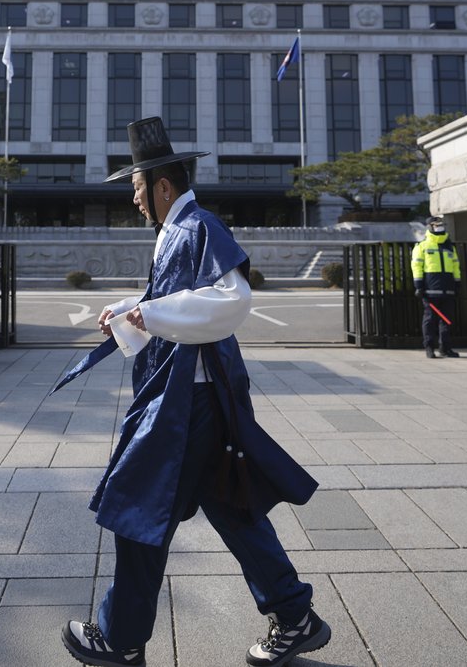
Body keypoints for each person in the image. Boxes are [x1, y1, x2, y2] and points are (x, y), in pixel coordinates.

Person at [57, 117, 330, 667]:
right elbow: (177, 303)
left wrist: (148, 312)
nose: (134, 199)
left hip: (186, 405)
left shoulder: (195, 226)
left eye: (136, 188)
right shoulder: (179, 229)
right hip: (196, 398)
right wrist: (133, 311)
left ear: (162, 186)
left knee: (137, 502)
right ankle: (293, 614)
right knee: (232, 509)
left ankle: (120, 636)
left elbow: (232, 301)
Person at [412, 215, 462, 359]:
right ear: (429, 227)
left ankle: (445, 348)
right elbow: (416, 266)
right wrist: (418, 286)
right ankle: (429, 347)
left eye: (441, 224)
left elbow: (455, 266)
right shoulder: (422, 246)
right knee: (430, 320)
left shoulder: (449, 246)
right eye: (436, 225)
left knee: (446, 320)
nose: (439, 227)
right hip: (430, 290)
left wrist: (457, 283)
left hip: (448, 288)